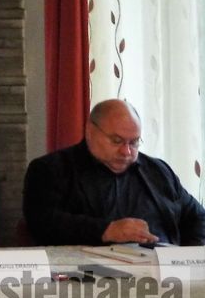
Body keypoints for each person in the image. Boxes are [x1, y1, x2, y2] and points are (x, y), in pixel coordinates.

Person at [24, 99, 205, 246]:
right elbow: (42, 222)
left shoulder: (158, 171)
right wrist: (106, 230)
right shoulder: (51, 169)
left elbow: (197, 217)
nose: (126, 151)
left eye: (134, 142)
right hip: (90, 275)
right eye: (117, 141)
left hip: (165, 272)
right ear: (90, 131)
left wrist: (188, 258)